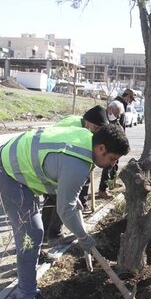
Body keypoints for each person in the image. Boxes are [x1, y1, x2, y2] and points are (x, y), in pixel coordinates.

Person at [0, 124, 130, 299]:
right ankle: (26, 298)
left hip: (14, 161)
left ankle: (26, 288)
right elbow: (65, 210)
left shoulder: (85, 138)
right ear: (101, 148)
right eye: (112, 159)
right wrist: (83, 237)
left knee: (34, 232)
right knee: (31, 233)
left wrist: (70, 196)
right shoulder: (77, 164)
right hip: (7, 173)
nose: (113, 164)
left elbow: (58, 169)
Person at [41, 105, 109, 247]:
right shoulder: (73, 129)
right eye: (96, 129)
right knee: (62, 201)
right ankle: (53, 235)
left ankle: (47, 234)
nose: (95, 133)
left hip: (53, 164)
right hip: (49, 163)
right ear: (88, 121)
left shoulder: (82, 125)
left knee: (57, 199)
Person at [98, 100, 125, 199]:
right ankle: (101, 190)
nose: (117, 117)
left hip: (110, 148)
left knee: (111, 167)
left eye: (119, 115)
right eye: (116, 114)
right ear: (109, 109)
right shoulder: (100, 115)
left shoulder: (115, 121)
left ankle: (107, 187)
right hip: (99, 147)